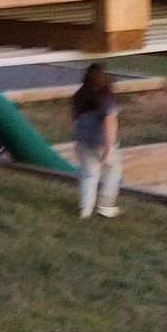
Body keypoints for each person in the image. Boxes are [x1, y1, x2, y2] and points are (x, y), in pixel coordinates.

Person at [72, 63, 122, 219]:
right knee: (113, 171)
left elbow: (74, 118)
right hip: (101, 142)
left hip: (82, 141)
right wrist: (108, 148)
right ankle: (105, 206)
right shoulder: (106, 98)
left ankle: (85, 210)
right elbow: (110, 123)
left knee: (88, 175)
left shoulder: (79, 96)